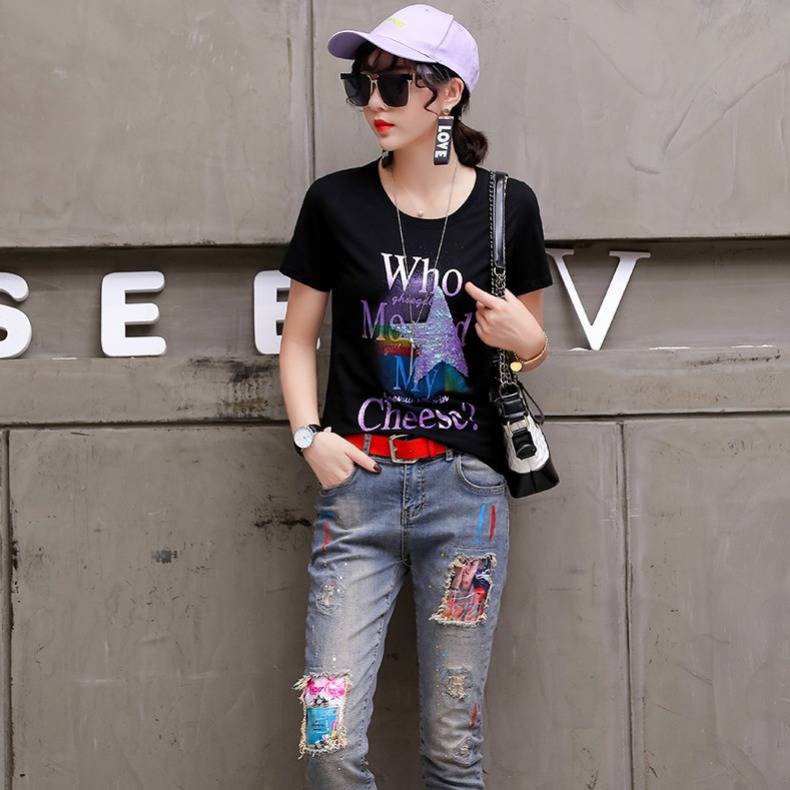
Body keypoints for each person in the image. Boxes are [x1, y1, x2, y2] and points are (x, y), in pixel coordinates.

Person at [278, 4, 553, 787]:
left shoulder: (507, 206)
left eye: (395, 86)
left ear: (449, 93)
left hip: (465, 500)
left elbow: (530, 347)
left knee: (452, 746)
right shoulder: (335, 203)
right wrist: (310, 437)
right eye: (362, 85)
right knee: (327, 739)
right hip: (356, 495)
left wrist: (526, 342)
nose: (375, 102)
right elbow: (297, 341)